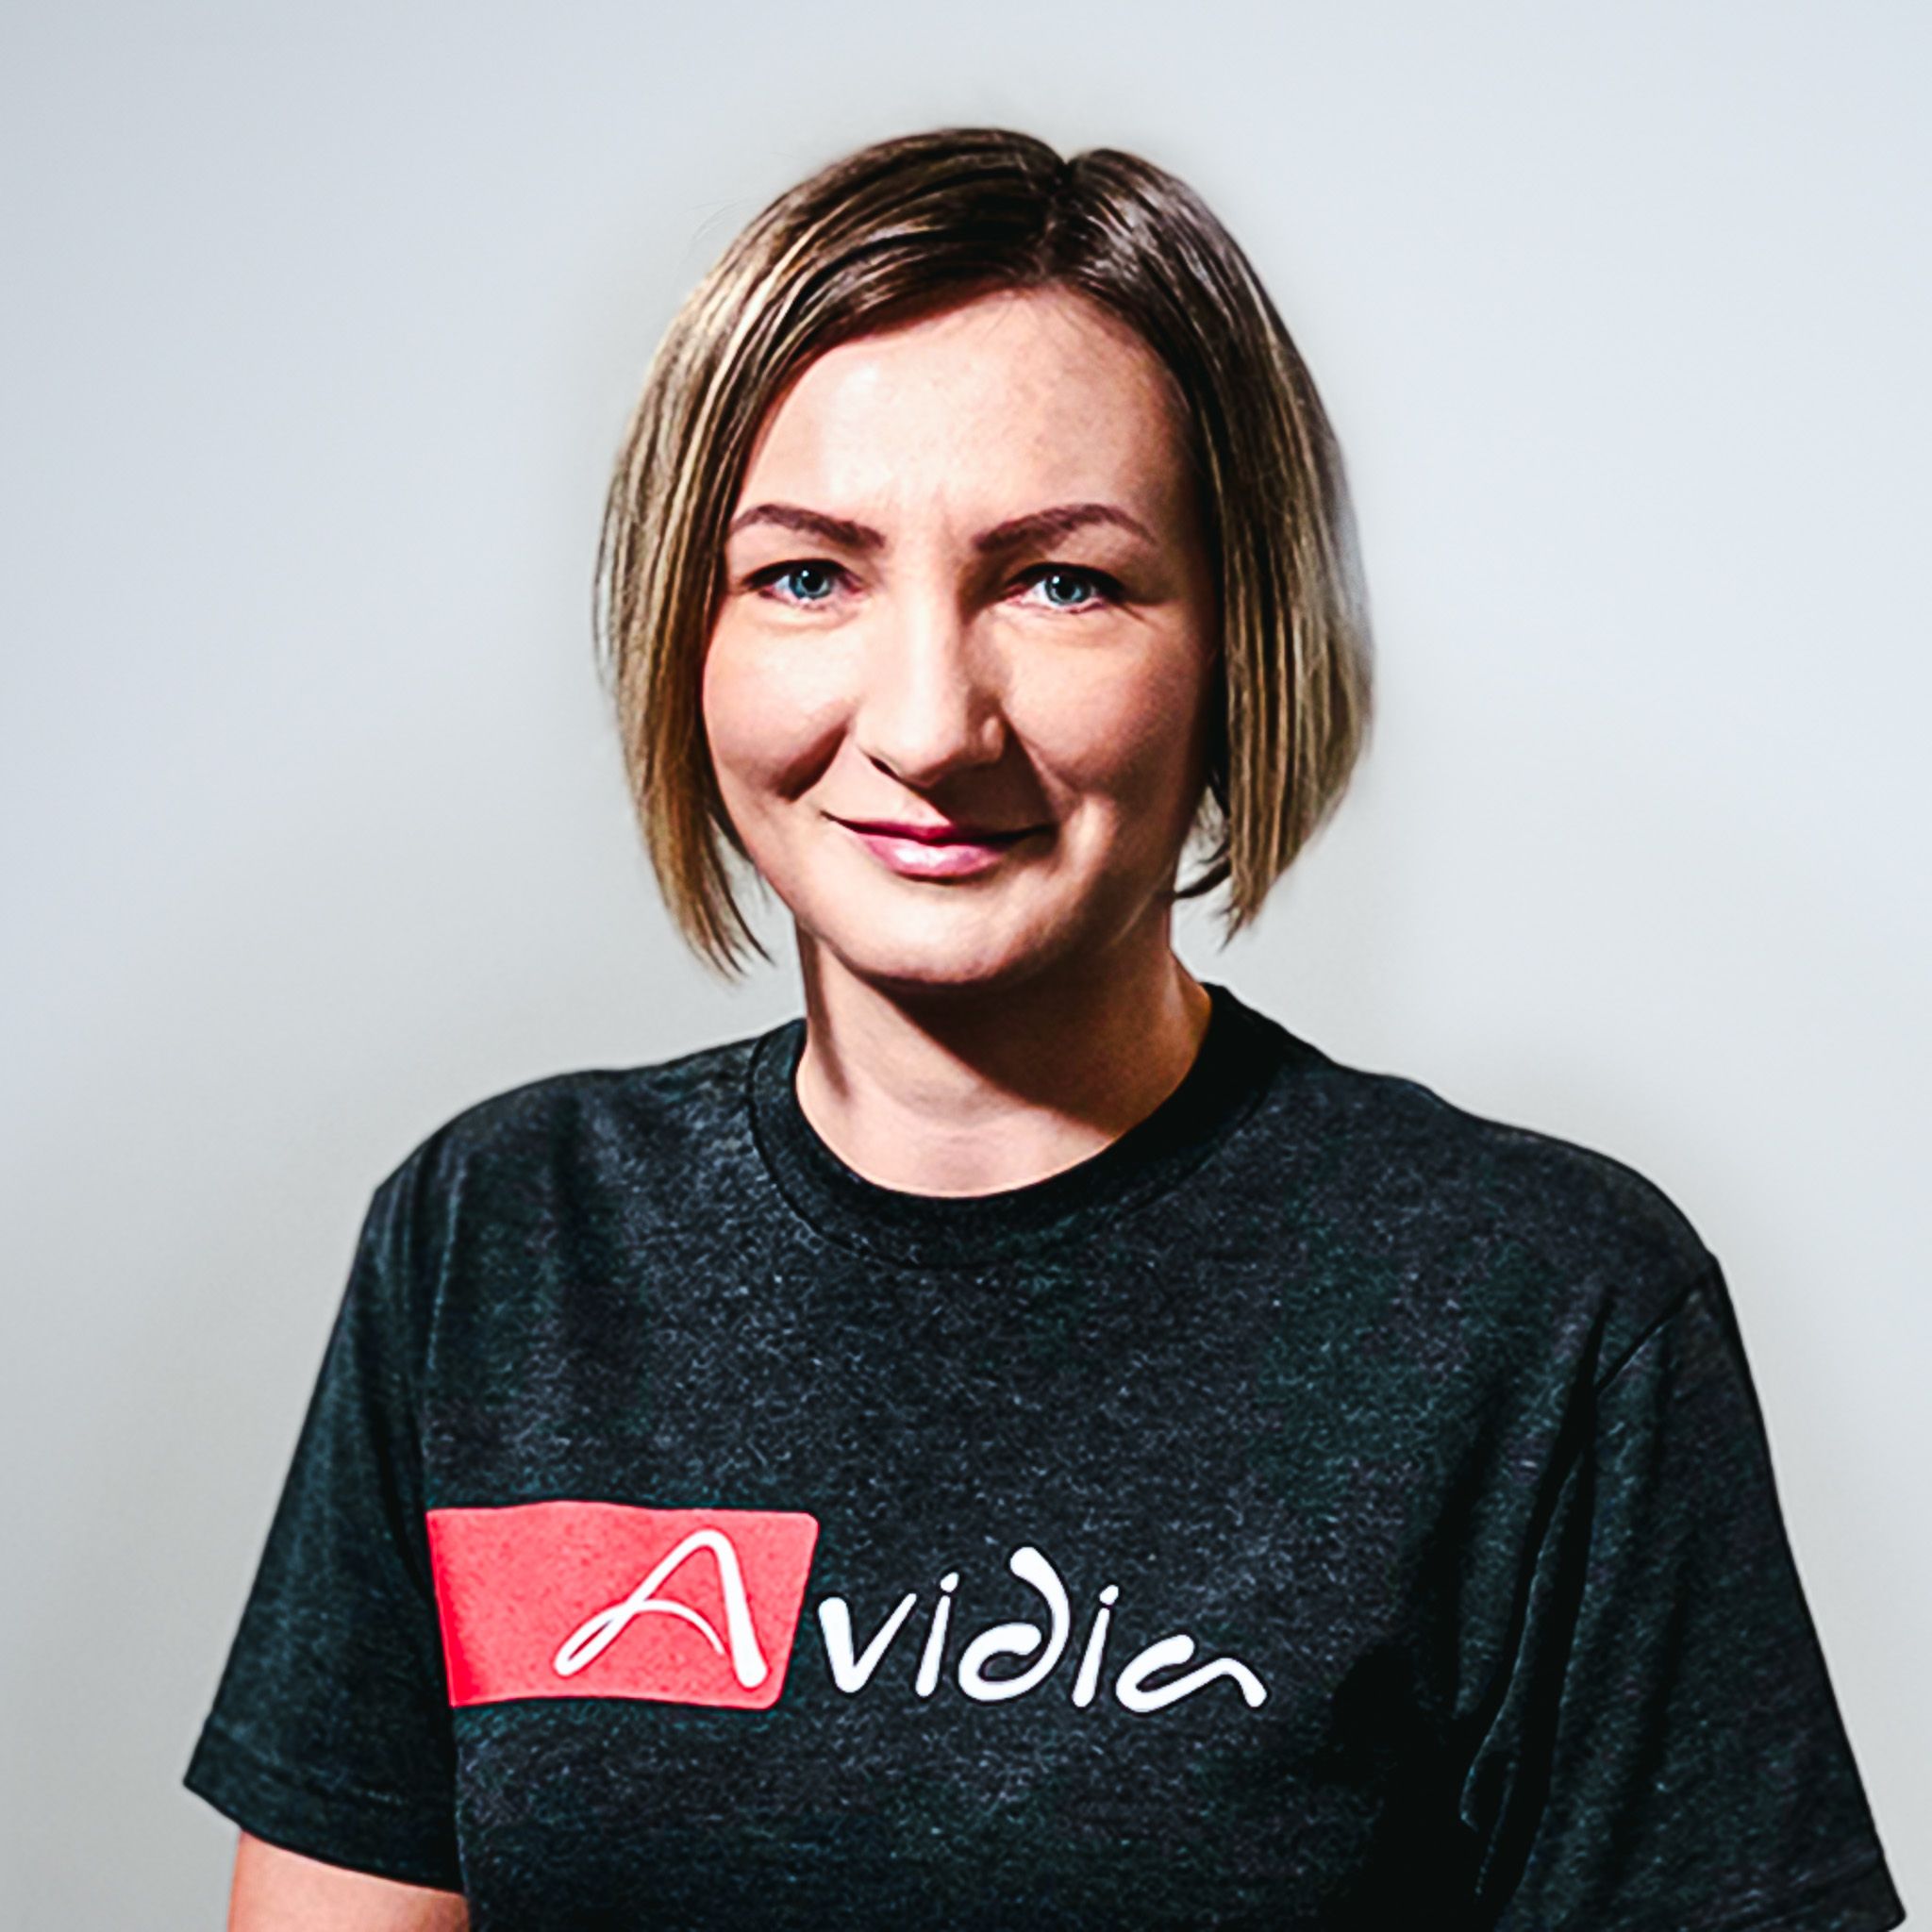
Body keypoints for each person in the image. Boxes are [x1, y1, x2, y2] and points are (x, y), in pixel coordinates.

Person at [183, 126, 1907, 1932]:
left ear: (1240, 646)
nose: (929, 723)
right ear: (685, 635)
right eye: (806, 575)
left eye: (1061, 581)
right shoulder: (502, 1242)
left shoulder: (1538, 1311)